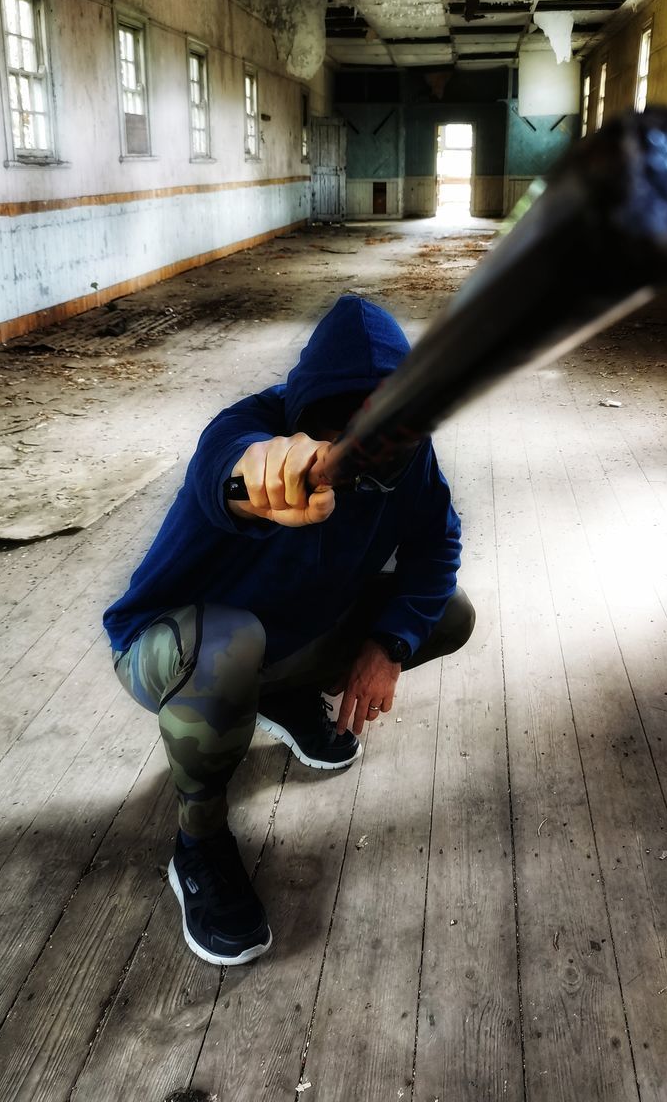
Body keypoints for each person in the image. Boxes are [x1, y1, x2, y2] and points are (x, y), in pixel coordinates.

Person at [102, 295, 475, 966]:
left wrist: (388, 645)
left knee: (446, 615)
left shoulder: (409, 455)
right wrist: (264, 475)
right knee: (230, 641)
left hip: (280, 635)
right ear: (303, 412)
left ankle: (279, 694)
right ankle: (198, 843)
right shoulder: (248, 430)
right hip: (166, 646)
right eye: (338, 425)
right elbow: (233, 470)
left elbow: (438, 545)